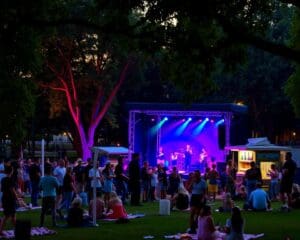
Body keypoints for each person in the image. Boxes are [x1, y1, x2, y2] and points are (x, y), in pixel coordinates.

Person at [0, 165, 18, 235]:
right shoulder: (10, 179)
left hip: (5, 198)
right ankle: (0, 231)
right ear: (11, 171)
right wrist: (17, 198)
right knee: (6, 216)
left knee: (12, 215)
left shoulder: (3, 179)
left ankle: (17, 229)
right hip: (10, 199)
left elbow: (1, 189)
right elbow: (12, 190)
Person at [187, 170, 207, 234]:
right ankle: (192, 228)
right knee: (192, 214)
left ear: (199, 175)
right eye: (194, 175)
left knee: (197, 214)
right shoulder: (193, 181)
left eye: (196, 175)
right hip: (194, 197)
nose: (195, 176)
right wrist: (192, 182)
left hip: (200, 197)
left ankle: (195, 227)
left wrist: (203, 198)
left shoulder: (203, 182)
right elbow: (188, 189)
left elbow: (205, 191)